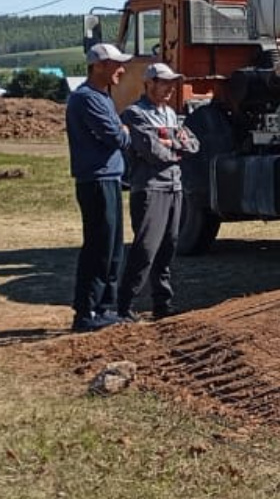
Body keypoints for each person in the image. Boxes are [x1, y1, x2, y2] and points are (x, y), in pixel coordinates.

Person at [117, 63, 199, 321]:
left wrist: (170, 143)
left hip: (174, 186)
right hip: (150, 188)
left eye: (172, 82)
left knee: (167, 248)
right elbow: (151, 151)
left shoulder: (172, 115)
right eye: (164, 82)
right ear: (149, 83)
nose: (169, 88)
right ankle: (124, 306)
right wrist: (177, 146)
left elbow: (194, 144)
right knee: (145, 249)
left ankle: (163, 304)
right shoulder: (134, 114)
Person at [65, 42, 133, 332]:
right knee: (99, 246)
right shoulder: (86, 98)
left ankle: (105, 306)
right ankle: (86, 312)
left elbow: (117, 133)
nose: (122, 69)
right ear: (99, 65)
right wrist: (122, 132)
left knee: (113, 245)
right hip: (96, 180)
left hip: (110, 177)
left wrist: (121, 131)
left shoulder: (102, 96)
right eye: (117, 63)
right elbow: (116, 137)